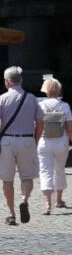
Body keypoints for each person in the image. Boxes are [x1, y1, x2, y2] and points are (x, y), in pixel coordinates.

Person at [0, 66, 44, 225]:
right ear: (21, 80)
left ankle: (11, 214)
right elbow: (40, 122)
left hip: (7, 141)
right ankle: (24, 199)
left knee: (7, 179)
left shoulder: (2, 98)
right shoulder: (32, 98)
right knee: (27, 176)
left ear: (7, 82)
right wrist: (36, 139)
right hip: (26, 140)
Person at [36, 76, 72, 215]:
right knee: (59, 170)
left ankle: (47, 205)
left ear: (46, 90)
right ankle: (58, 199)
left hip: (44, 142)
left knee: (45, 171)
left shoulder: (40, 105)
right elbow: (70, 129)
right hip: (61, 142)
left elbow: (36, 126)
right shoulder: (65, 106)